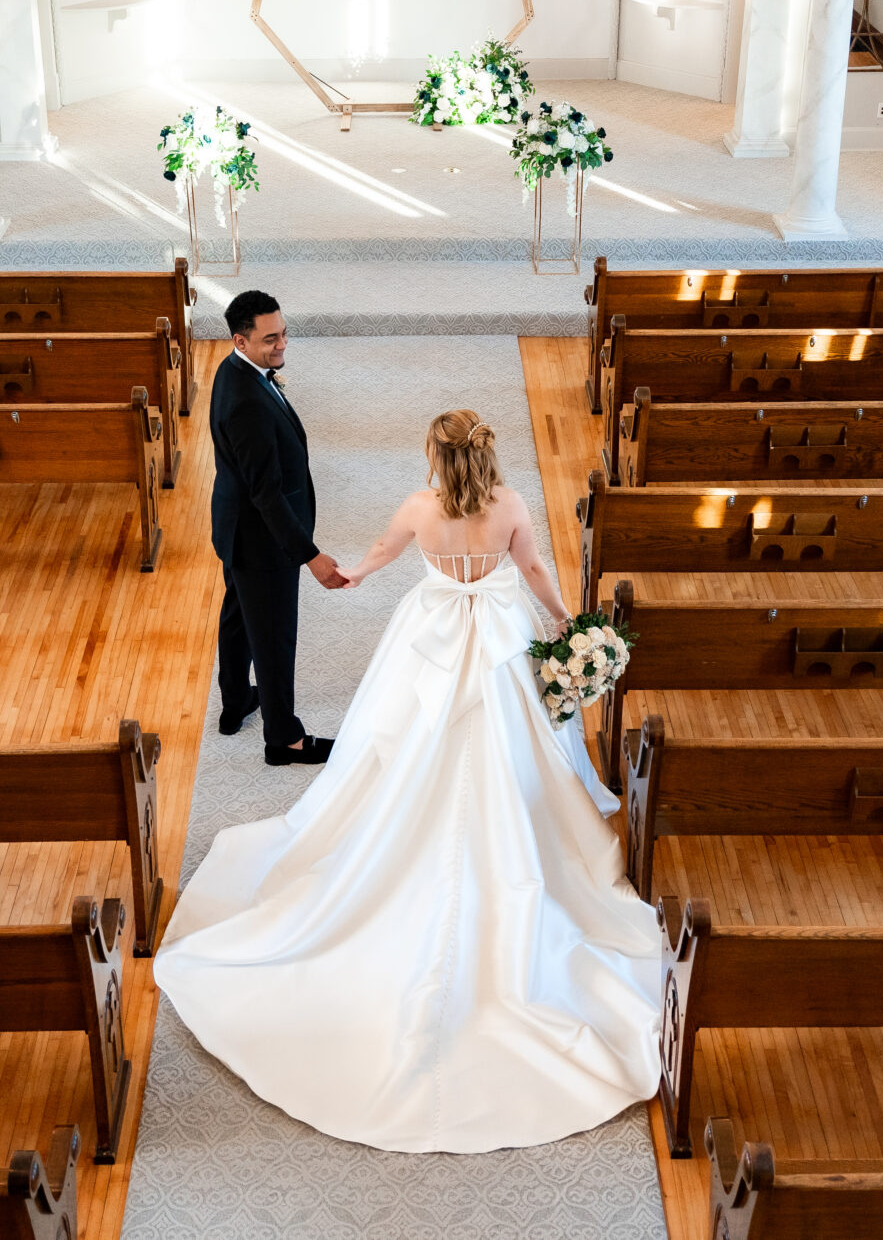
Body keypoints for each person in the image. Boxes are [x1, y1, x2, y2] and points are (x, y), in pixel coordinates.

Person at [154, 409, 664, 1154]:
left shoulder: (421, 510)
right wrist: (569, 619)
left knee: (394, 744)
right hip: (495, 642)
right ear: (486, 454)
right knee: (518, 751)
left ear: (435, 454)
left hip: (428, 640)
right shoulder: (512, 507)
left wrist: (350, 572)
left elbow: (379, 557)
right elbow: (533, 573)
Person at [210, 290, 348, 766]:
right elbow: (265, 492)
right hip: (262, 539)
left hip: (235, 528)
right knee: (272, 634)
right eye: (271, 339)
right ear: (241, 340)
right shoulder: (246, 400)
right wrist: (308, 554)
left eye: (284, 333)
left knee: (237, 615)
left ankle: (234, 704)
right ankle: (283, 739)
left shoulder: (233, 370)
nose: (281, 345)